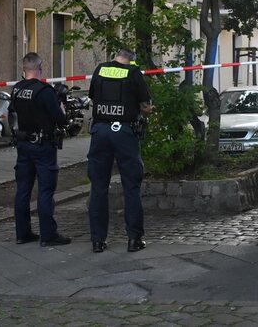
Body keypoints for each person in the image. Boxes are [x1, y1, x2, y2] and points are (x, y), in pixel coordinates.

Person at [87, 48, 153, 253]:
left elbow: (92, 97)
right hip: (124, 132)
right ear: (131, 61)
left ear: (115, 57)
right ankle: (134, 239)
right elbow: (146, 105)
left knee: (98, 188)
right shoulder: (133, 73)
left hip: (100, 132)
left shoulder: (100, 70)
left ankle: (98, 241)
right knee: (131, 187)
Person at [10, 52, 71, 246]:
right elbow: (60, 120)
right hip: (42, 145)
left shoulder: (17, 90)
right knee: (45, 190)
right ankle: (48, 235)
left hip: (23, 145)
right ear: (40, 68)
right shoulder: (44, 91)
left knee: (23, 190)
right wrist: (61, 110)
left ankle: (23, 233)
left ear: (23, 70)